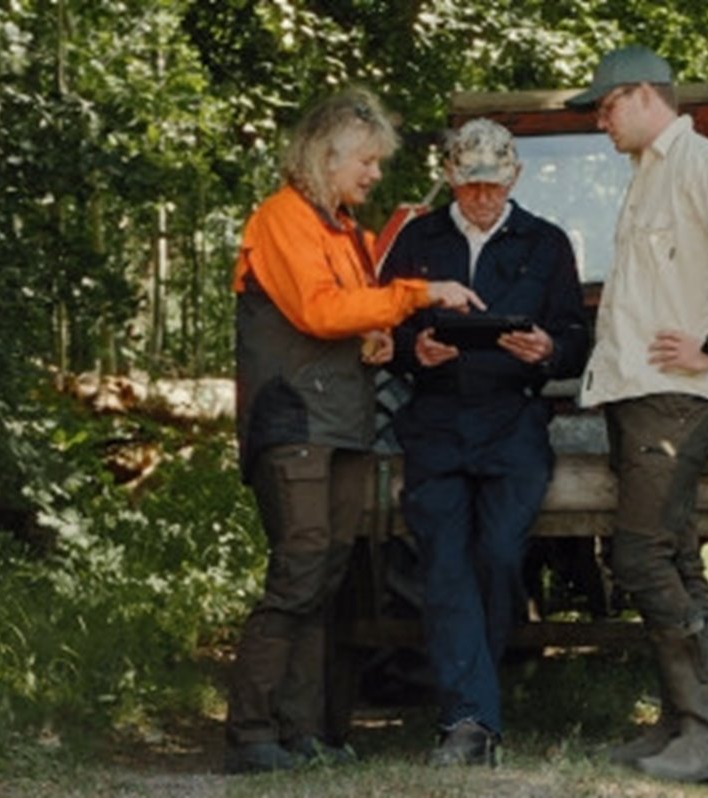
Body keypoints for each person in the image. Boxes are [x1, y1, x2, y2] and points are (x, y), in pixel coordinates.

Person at [226, 87, 484, 775]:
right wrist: (417, 294)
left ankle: (306, 731)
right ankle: (250, 731)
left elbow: (350, 314)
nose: (374, 173)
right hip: (293, 420)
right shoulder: (281, 218)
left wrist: (381, 338)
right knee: (300, 568)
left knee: (327, 576)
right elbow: (317, 311)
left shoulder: (344, 231)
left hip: (341, 422)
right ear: (326, 155)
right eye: (366, 161)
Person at [565, 45, 708, 783]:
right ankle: (683, 726)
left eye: (606, 106)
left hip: (677, 394)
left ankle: (703, 737)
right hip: (641, 390)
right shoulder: (649, 175)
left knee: (639, 554)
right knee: (676, 554)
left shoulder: (704, 165)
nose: (600, 121)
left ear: (643, 95)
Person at [380, 118, 589, 766]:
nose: (482, 197)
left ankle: (476, 702)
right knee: (444, 563)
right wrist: (415, 351)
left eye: (494, 185)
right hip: (436, 422)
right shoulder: (417, 240)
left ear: (515, 177)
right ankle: (468, 722)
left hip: (513, 423)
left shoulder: (547, 243)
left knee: (498, 556)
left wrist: (549, 349)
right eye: (470, 185)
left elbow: (576, 338)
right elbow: (383, 330)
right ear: (448, 176)